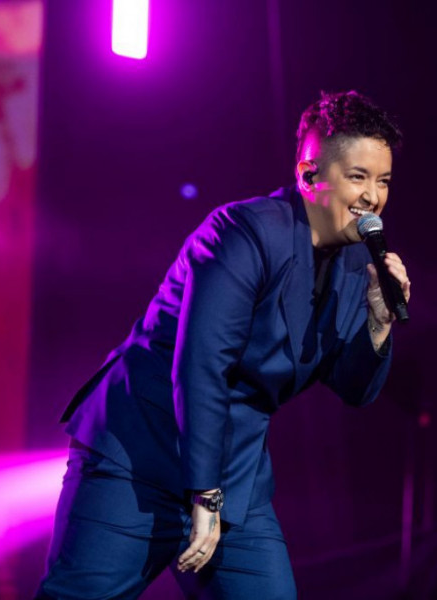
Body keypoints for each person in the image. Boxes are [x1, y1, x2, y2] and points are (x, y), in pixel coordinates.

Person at [37, 90, 411, 599]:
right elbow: (201, 365)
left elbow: (354, 388)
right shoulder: (243, 233)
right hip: (138, 455)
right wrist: (204, 496)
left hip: (234, 474)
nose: (373, 196)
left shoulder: (355, 265)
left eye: (383, 181)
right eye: (359, 177)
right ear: (309, 176)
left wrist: (379, 321)